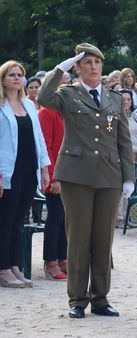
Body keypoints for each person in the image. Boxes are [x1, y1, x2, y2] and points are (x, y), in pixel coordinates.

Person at [37, 43, 135, 318]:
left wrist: (129, 176)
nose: (93, 67)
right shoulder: (68, 93)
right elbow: (43, 97)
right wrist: (60, 69)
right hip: (76, 176)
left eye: (97, 62)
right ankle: (78, 299)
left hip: (109, 175)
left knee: (103, 240)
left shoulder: (115, 98)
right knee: (79, 237)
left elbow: (123, 141)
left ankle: (100, 298)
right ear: (78, 67)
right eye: (87, 62)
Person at [0, 61, 51, 288]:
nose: (17, 78)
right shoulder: (0, 106)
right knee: (5, 220)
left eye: (20, 74)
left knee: (19, 220)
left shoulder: (29, 105)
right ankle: (3, 268)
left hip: (28, 171)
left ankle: (15, 266)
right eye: (12, 75)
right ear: (3, 79)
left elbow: (39, 138)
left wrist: (44, 167)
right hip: (7, 171)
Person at [38, 93, 68, 280]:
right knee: (55, 216)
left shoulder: (65, 112)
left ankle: (62, 257)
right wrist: (54, 176)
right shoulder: (46, 112)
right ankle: (50, 261)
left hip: (69, 174)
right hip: (55, 173)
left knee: (66, 217)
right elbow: (46, 146)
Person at [116, 90, 137, 228]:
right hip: (123, 155)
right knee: (122, 187)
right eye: (124, 99)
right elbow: (118, 139)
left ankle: (127, 217)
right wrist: (134, 150)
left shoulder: (135, 116)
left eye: (128, 99)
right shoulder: (116, 117)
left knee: (130, 186)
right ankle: (119, 218)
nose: (126, 102)